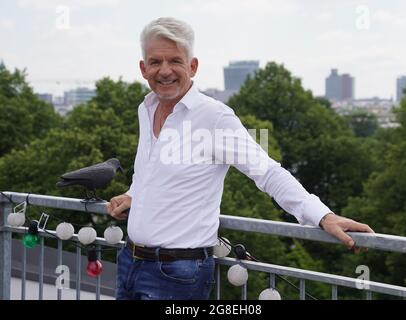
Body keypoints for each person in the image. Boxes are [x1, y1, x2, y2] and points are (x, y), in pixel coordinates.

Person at [107, 17, 375, 300]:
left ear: (193, 66)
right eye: (155, 62)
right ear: (143, 68)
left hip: (176, 273)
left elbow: (268, 171)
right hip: (129, 261)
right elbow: (150, 170)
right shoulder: (146, 108)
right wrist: (134, 194)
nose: (165, 71)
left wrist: (323, 215)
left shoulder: (214, 117)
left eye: (175, 60)